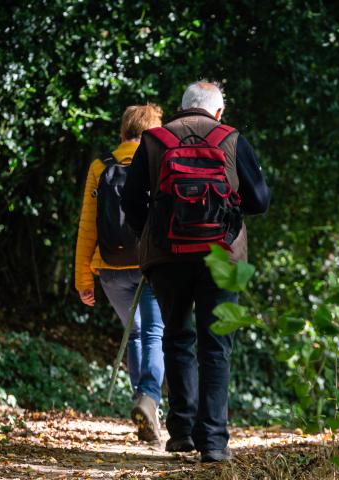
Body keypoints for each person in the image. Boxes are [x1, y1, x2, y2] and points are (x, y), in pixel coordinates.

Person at [120, 81, 270, 462]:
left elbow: (131, 201)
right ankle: (215, 442)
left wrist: (151, 232)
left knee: (176, 336)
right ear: (217, 113)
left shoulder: (154, 141)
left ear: (181, 108)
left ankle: (182, 431)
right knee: (216, 345)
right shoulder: (232, 138)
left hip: (167, 255)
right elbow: (260, 200)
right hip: (224, 258)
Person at [74, 104, 165, 445]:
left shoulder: (101, 166)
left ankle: (145, 407)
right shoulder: (159, 161)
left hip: (110, 269)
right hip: (149, 266)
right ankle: (150, 399)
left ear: (124, 129)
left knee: (137, 334)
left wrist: (83, 280)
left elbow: (87, 227)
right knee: (154, 333)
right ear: (154, 130)